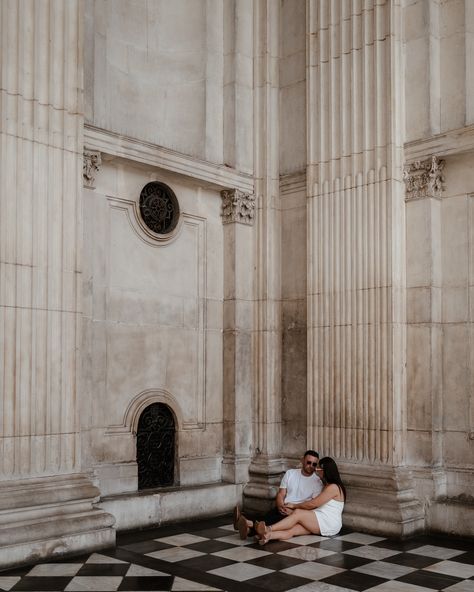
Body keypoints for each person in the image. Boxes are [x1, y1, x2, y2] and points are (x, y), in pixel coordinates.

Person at [233, 449, 323, 539]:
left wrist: (293, 510)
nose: (311, 466)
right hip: (284, 506)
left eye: (314, 464)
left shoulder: (317, 482)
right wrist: (280, 506)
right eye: (308, 462)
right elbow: (281, 494)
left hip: (297, 512)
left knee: (275, 519)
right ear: (302, 460)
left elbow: (312, 505)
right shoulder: (290, 473)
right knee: (268, 516)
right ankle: (248, 529)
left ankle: (246, 523)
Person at [254, 456, 345, 544]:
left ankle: (268, 529)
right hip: (321, 519)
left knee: (298, 513)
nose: (316, 471)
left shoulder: (333, 487)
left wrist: (294, 506)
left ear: (325, 471)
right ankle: (267, 536)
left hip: (328, 522)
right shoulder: (327, 485)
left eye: (318, 469)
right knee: (292, 530)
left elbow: (313, 504)